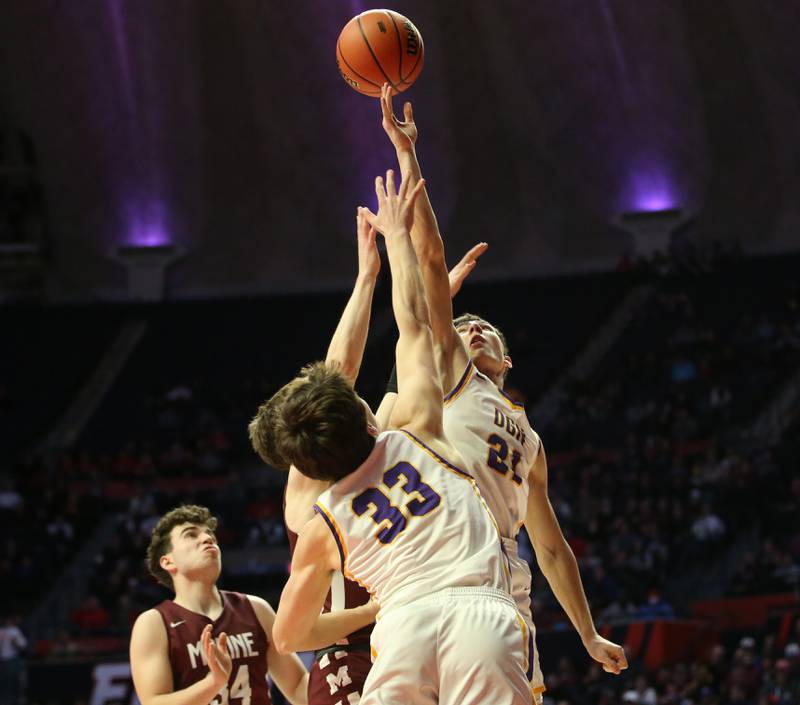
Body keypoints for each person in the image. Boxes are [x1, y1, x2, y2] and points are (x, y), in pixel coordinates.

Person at [377, 83, 627, 701]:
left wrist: (589, 635)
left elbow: (550, 544)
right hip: (426, 565)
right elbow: (430, 264)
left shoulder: (532, 441)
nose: (473, 328)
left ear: (508, 358)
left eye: (486, 328)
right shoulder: (449, 376)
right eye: (463, 326)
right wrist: (412, 162)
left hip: (498, 583)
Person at [259, 171, 531, 704]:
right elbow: (398, 339)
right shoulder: (417, 437)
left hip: (398, 634)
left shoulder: (324, 517)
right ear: (365, 423)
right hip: (443, 619)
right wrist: (400, 256)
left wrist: (415, 305)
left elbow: (287, 636)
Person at [129, 504, 319, 705]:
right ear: (168, 562)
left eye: (210, 534)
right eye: (191, 535)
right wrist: (213, 682)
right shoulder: (154, 623)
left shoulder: (255, 608)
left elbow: (298, 686)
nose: (207, 538)